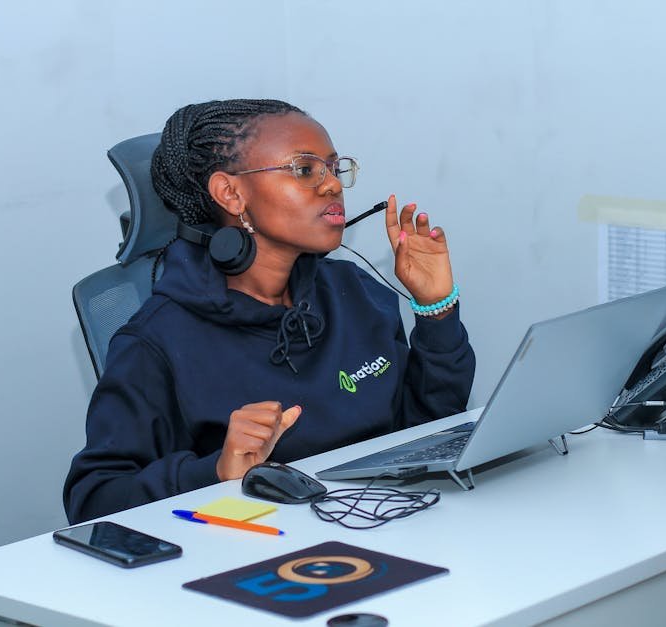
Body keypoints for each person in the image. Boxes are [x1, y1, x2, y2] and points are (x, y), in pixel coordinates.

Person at [63, 99, 475, 524]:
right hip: (257, 559)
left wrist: (434, 310)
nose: (332, 185)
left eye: (334, 168)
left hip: (383, 524)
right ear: (231, 193)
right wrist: (216, 471)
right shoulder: (157, 341)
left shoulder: (357, 291)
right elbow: (93, 499)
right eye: (304, 169)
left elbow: (424, 431)